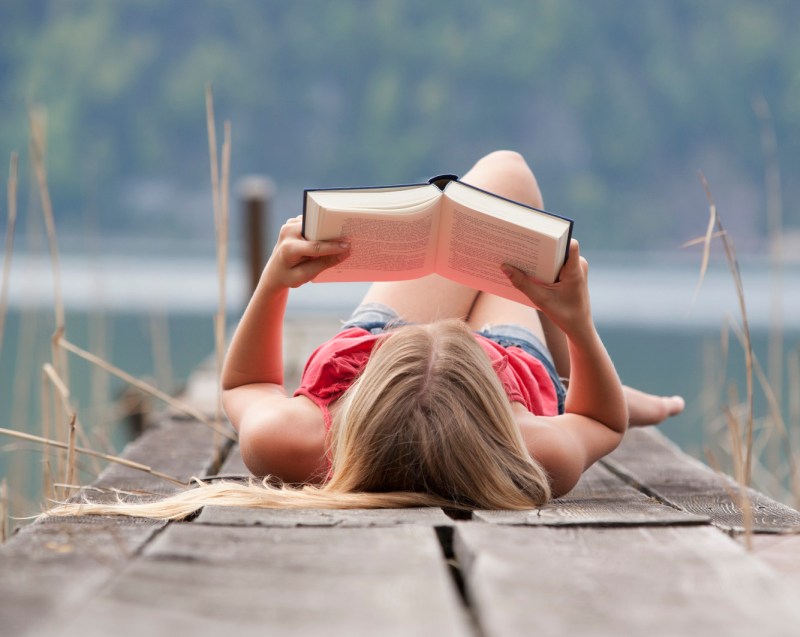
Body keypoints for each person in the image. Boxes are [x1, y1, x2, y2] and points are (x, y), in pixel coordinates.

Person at [51, 150, 683, 519]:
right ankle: (576, 375)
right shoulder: (526, 445)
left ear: (359, 388)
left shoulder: (295, 440)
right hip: (514, 367)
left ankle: (555, 368)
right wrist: (576, 321)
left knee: (500, 193)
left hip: (440, 376)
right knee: (508, 176)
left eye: (391, 340)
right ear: (499, 410)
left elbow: (245, 381)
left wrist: (274, 282)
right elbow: (601, 423)